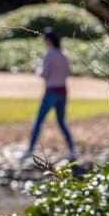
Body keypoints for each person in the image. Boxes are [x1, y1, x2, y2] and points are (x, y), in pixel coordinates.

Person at [21, 27, 76, 162]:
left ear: (48, 40)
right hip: (63, 91)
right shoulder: (64, 54)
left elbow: (44, 73)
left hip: (51, 91)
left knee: (38, 121)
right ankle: (71, 150)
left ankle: (29, 150)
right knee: (61, 122)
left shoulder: (49, 55)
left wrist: (37, 71)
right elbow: (68, 72)